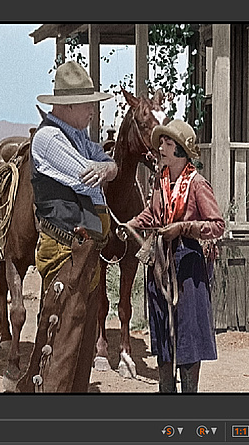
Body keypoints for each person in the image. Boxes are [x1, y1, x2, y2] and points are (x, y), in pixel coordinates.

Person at [16, 60, 118, 393]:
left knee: (80, 341)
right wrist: (102, 169)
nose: (93, 110)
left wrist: (106, 168)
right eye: (89, 103)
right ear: (70, 105)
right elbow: (88, 179)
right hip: (66, 253)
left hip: (83, 253)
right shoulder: (48, 138)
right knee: (60, 345)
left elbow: (108, 166)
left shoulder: (77, 136)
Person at [124, 119, 223, 392]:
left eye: (168, 144)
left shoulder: (198, 184)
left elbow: (217, 225)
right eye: (162, 143)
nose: (161, 148)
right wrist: (134, 222)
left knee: (188, 332)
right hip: (160, 262)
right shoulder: (161, 181)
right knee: (163, 330)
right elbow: (154, 215)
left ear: (181, 150)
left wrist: (183, 228)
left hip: (188, 266)